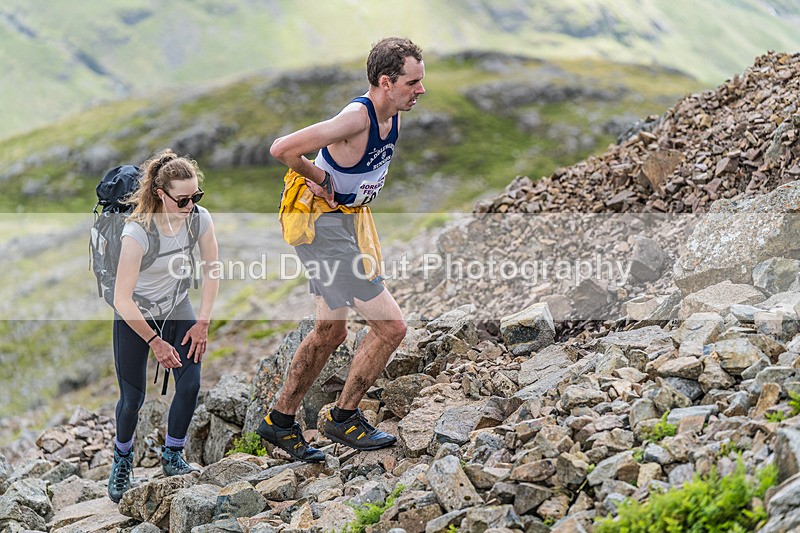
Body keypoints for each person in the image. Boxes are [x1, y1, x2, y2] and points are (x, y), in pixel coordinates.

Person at [258, 37, 425, 462]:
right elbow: (282, 148)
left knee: (330, 331)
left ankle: (279, 422)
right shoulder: (356, 118)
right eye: (412, 82)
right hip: (322, 226)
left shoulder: (394, 115)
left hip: (343, 224)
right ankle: (343, 417)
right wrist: (319, 176)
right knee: (392, 328)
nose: (420, 90)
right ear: (386, 82)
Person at [107, 149, 219, 503]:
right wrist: (155, 342)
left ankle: (172, 454)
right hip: (136, 315)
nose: (191, 205)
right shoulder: (136, 232)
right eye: (183, 199)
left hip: (177, 305)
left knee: (191, 383)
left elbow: (211, 269)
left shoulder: (199, 219)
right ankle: (122, 460)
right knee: (133, 398)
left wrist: (203, 320)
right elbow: (121, 299)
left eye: (196, 197)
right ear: (160, 194)